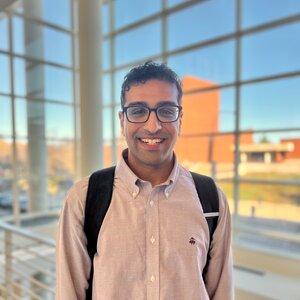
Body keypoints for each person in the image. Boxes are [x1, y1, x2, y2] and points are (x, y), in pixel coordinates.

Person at [56, 61, 233, 300]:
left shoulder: (211, 200)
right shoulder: (84, 199)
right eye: (138, 111)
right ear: (122, 121)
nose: (153, 126)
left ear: (180, 120)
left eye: (167, 111)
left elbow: (221, 293)